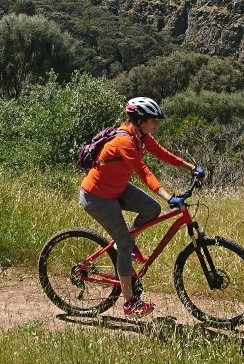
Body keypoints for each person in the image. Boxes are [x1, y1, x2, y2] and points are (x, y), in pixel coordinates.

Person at [79, 96, 202, 318]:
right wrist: (168, 196)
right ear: (141, 120)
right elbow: (143, 172)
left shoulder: (142, 137)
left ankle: (123, 247)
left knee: (151, 209)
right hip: (96, 197)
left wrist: (191, 167)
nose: (156, 124)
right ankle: (129, 303)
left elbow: (163, 154)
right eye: (153, 120)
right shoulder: (125, 141)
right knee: (125, 243)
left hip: (117, 188)